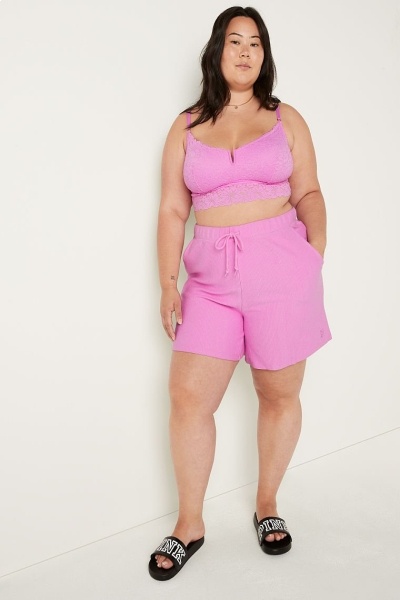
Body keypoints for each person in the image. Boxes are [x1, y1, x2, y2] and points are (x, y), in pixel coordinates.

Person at [148, 5, 331, 581]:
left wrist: (312, 256)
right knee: (187, 398)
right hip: (210, 278)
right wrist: (168, 283)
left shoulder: (285, 118)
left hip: (282, 270)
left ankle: (267, 502)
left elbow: (309, 193)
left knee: (278, 393)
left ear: (264, 54)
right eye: (235, 41)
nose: (246, 51)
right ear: (217, 51)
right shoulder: (185, 126)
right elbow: (173, 209)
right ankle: (189, 524)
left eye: (255, 42)